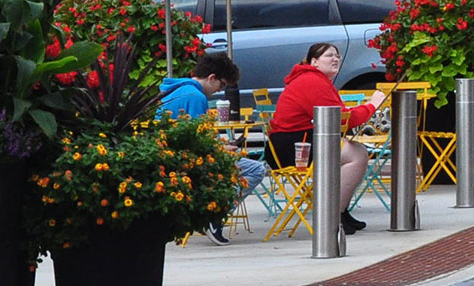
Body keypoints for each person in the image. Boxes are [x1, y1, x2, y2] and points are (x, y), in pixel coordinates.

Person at [264, 42, 377, 234]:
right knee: (356, 155)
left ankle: (341, 210)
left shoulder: (315, 80)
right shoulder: (311, 81)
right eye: (329, 56)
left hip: (293, 142)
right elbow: (341, 119)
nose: (335, 59)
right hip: (292, 147)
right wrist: (372, 106)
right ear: (314, 62)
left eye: (337, 56)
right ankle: (334, 214)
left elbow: (337, 116)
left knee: (355, 151)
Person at [159, 52, 266, 246]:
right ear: (211, 78)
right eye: (221, 85)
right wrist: (223, 149)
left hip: (169, 155)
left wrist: (221, 145)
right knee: (256, 169)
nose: (219, 91)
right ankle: (214, 213)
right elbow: (199, 142)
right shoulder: (195, 96)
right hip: (187, 161)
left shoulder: (176, 89)